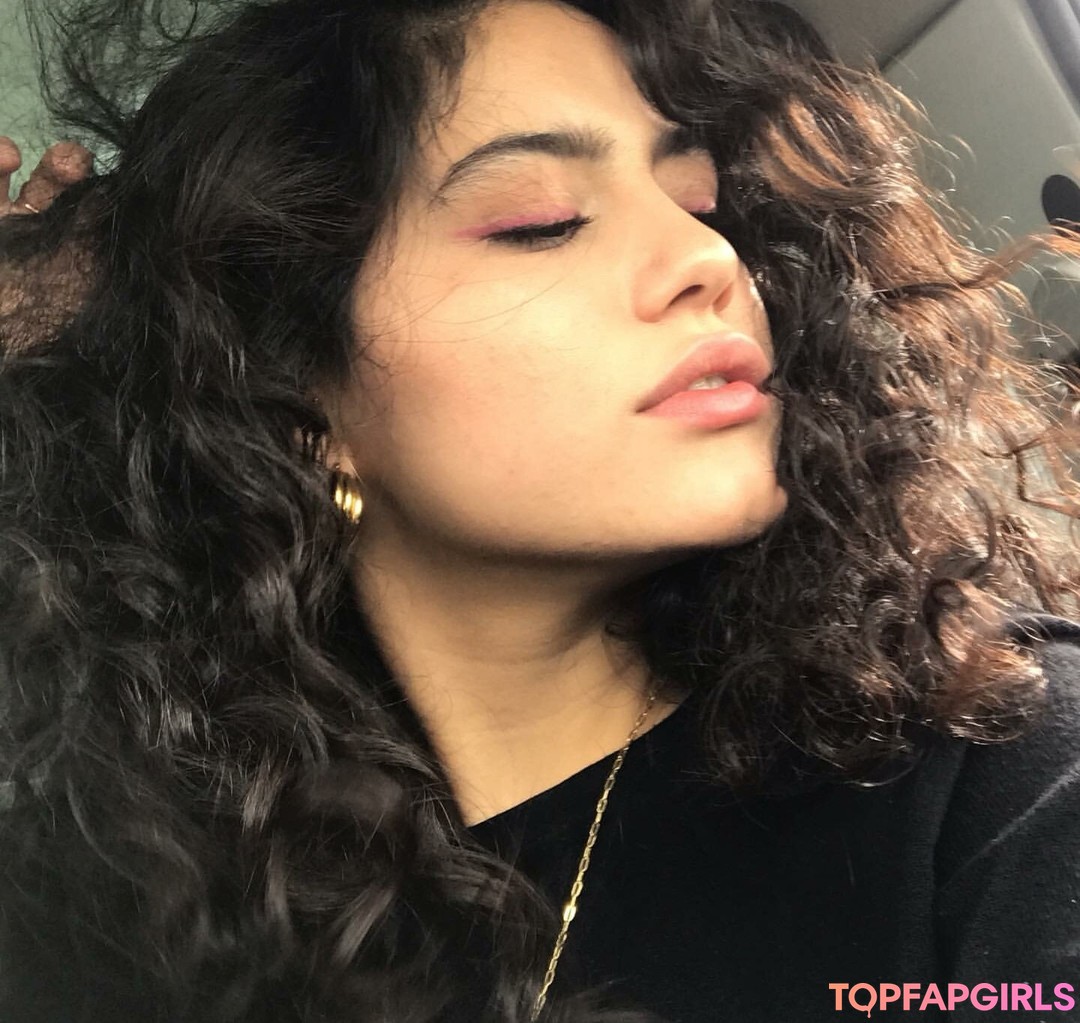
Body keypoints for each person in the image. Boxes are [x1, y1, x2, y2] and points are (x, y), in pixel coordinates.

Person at [2, 0, 1080, 1020]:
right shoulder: (126, 879)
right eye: (543, 222)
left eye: (699, 204)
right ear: (295, 399)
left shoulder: (998, 768)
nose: (711, 259)